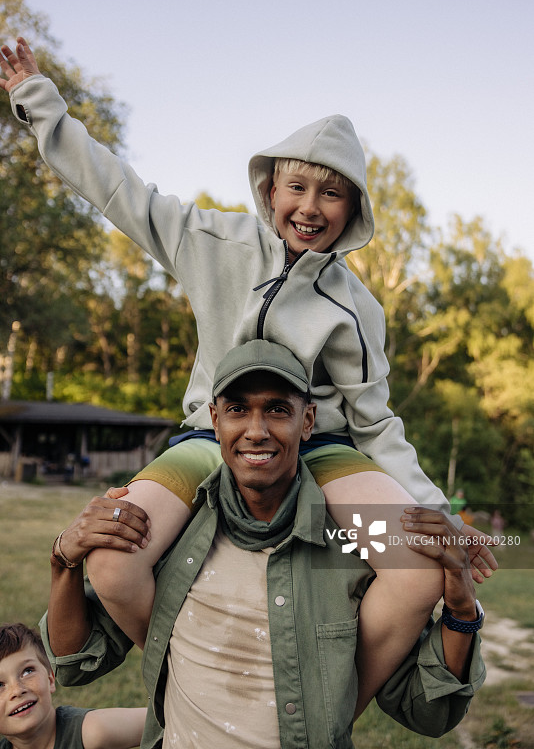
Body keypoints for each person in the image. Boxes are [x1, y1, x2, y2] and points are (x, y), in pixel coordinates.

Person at [1, 38, 496, 684]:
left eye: (332, 193)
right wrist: (42, 104)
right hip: (210, 434)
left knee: (416, 565)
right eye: (297, 186)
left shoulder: (357, 310)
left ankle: (332, 703)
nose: (311, 207)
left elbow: (376, 423)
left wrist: (438, 510)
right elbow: (122, 193)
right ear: (269, 189)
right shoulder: (213, 241)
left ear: (355, 211)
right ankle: (195, 685)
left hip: (325, 446)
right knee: (114, 562)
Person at [41, 341, 486, 749]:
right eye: (238, 409)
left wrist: (463, 612)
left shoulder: (356, 553)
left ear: (307, 421)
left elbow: (428, 711)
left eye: (276, 410)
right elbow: (74, 661)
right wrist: (64, 559)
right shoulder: (169, 541)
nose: (256, 430)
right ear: (215, 421)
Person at [0, 622, 146, 749]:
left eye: (27, 672)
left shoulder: (92, 731)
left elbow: (160, 719)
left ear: (50, 679)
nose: (17, 690)